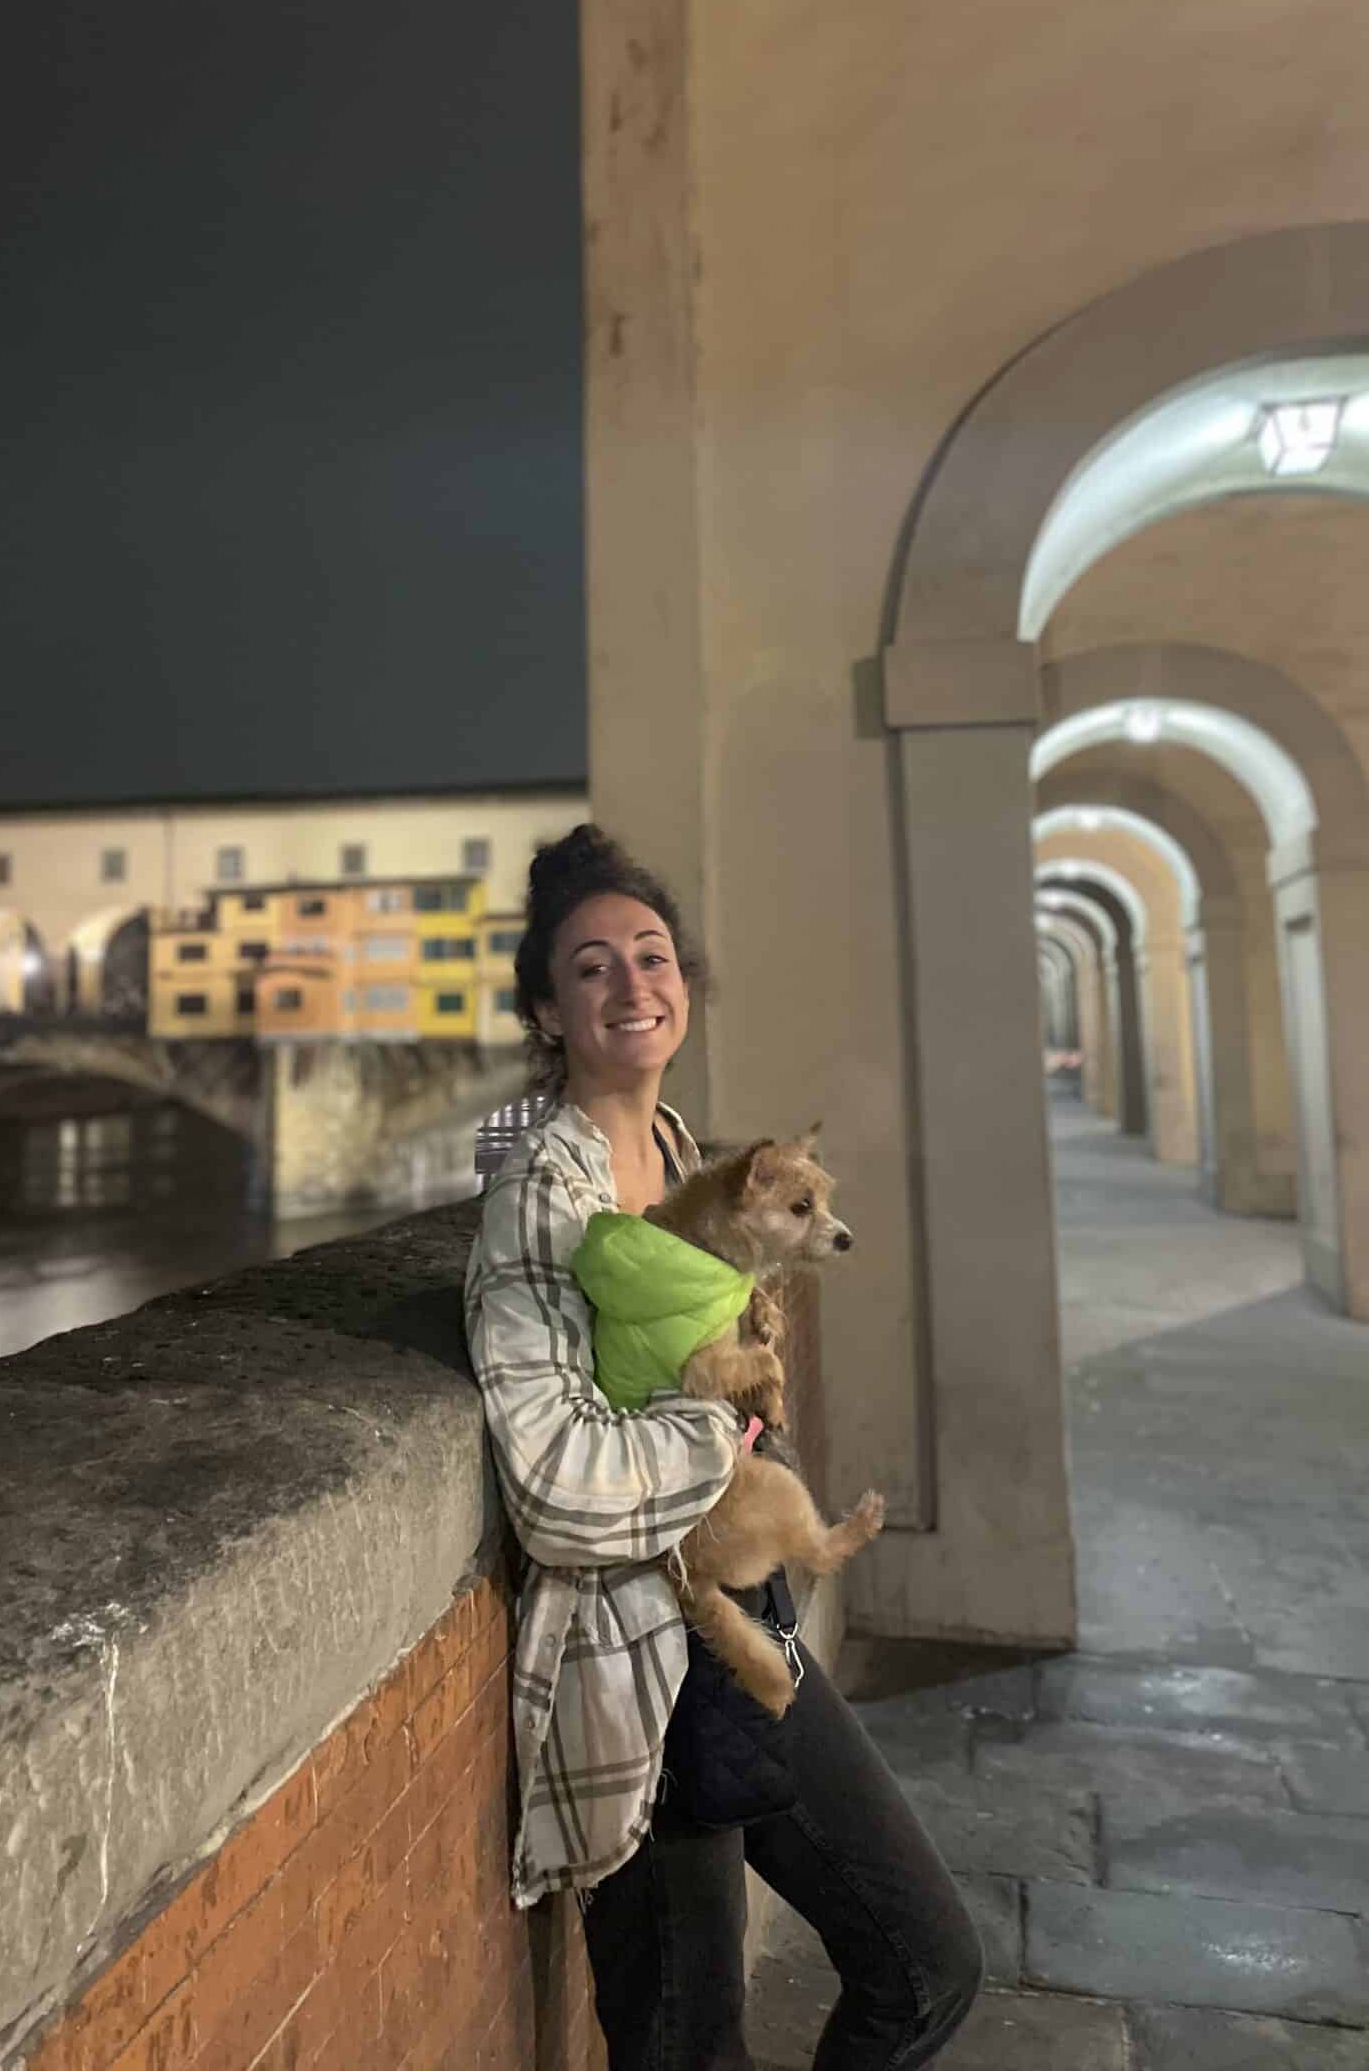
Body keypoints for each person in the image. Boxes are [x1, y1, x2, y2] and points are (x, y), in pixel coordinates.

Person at [464, 824, 982, 2071]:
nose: (630, 984)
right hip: (637, 1662)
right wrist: (722, 1421)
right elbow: (551, 1482)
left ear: (684, 986)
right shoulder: (544, 1187)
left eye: (650, 955)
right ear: (546, 1007)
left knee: (928, 1967)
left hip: (745, 1619)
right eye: (589, 967)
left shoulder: (690, 1154)